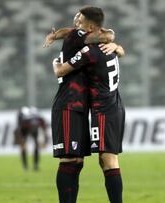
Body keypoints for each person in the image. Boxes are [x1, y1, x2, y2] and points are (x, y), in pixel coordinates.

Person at [45, 6, 125, 203]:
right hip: (69, 104)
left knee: (79, 161)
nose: (75, 19)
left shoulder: (87, 45)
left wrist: (55, 61)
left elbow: (105, 34)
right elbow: (107, 35)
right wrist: (116, 46)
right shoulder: (86, 40)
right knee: (72, 160)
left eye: (79, 18)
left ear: (89, 27)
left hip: (83, 106)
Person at [14, 106, 48, 171]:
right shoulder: (24, 122)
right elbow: (19, 130)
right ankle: (25, 166)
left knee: (36, 145)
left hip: (29, 125)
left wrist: (45, 141)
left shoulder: (40, 120)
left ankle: (35, 165)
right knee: (23, 146)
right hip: (23, 127)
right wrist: (22, 141)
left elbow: (44, 131)